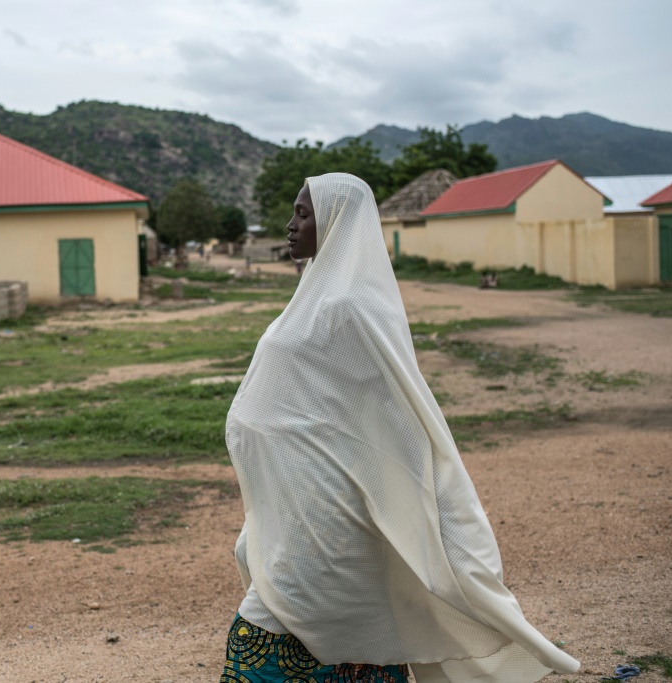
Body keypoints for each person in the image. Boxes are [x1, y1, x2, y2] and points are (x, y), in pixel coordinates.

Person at [221, 173, 579, 683]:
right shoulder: (316, 296)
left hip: (331, 509)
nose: (291, 223)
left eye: (304, 213)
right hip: (300, 507)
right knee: (309, 624)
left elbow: (392, 416)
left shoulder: (351, 308)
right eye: (295, 212)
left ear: (339, 220)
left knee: (263, 634)